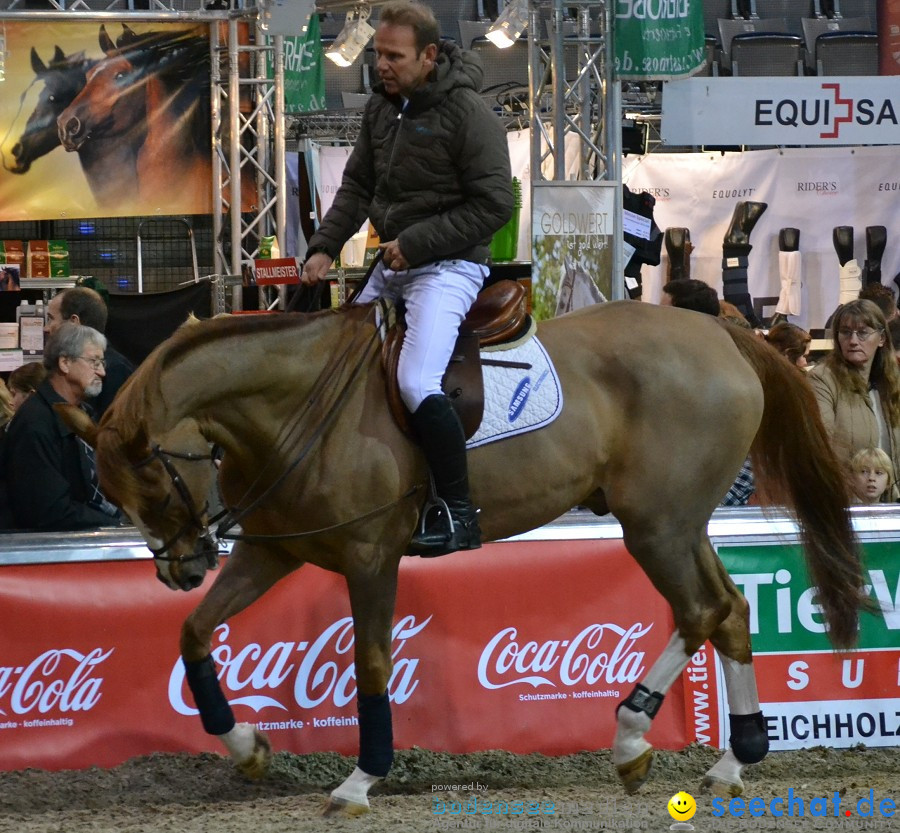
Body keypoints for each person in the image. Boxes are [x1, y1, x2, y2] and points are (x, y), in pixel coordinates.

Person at [299, 1, 514, 557]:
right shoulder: (379, 109)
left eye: (393, 56)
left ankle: (460, 514)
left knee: (417, 382)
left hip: (449, 267)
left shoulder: (471, 114)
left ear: (429, 55)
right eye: (377, 54)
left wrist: (416, 244)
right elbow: (355, 189)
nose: (381, 65)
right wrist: (323, 247)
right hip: (392, 264)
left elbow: (495, 205)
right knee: (339, 364)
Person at [1, 322, 121, 530]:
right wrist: (114, 524)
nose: (101, 372)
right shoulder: (35, 425)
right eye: (94, 362)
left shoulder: (83, 413)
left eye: (102, 363)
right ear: (65, 362)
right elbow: (49, 511)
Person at [809, 299, 900, 490]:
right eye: (845, 332)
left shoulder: (892, 381)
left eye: (863, 333)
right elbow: (820, 447)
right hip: (845, 500)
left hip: (890, 502)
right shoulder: (822, 380)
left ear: (882, 338)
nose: (853, 340)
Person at [44, 286, 134, 419]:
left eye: (51, 319)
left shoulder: (116, 371)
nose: (46, 328)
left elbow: (111, 434)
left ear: (74, 322)